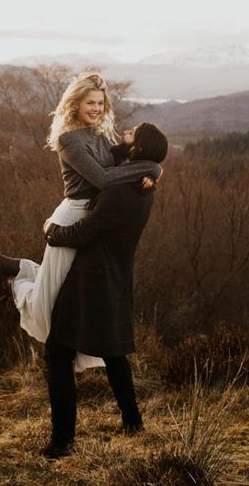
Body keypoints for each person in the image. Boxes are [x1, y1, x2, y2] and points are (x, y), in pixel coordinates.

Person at [0, 72, 162, 371]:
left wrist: (148, 173)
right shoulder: (69, 140)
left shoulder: (100, 136)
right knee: (47, 302)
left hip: (91, 219)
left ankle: (5, 264)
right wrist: (152, 167)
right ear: (75, 104)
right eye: (90, 102)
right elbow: (103, 179)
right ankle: (11, 285)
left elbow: (124, 163)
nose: (96, 109)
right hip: (73, 215)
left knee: (65, 287)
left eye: (101, 103)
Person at [40, 122, 169, 458]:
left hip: (91, 278)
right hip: (116, 277)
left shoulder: (121, 189)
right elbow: (108, 160)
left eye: (130, 135)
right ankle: (133, 423)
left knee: (58, 352)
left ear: (137, 149)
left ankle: (62, 441)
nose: (123, 136)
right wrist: (154, 169)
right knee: (113, 353)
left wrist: (51, 230)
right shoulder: (142, 186)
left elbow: (86, 231)